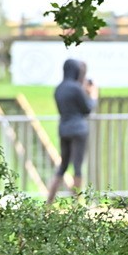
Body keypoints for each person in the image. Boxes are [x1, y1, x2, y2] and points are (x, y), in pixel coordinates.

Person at [46, 59, 97, 203]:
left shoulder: (59, 88)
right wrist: (93, 95)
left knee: (62, 166)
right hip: (79, 129)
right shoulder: (76, 88)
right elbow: (87, 108)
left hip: (64, 129)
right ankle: (76, 203)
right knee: (78, 167)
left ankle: (49, 202)